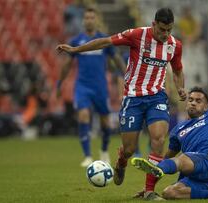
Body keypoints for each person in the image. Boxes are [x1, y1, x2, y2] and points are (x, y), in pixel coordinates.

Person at [56, 8, 186, 200]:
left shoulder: (174, 45)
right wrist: (76, 50)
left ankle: (149, 190)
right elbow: (105, 41)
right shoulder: (136, 35)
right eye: (161, 30)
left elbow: (177, 70)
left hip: (157, 97)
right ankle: (121, 162)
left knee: (158, 139)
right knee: (129, 149)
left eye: (169, 30)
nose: (165, 34)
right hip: (133, 98)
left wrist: (181, 88)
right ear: (153, 24)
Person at [56, 7, 126, 167]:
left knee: (105, 122)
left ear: (96, 20)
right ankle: (87, 156)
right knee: (83, 116)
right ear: (83, 20)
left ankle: (104, 151)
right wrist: (59, 83)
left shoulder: (104, 40)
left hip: (100, 87)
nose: (89, 20)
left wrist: (126, 75)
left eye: (91, 18)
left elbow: (116, 59)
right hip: (82, 86)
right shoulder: (76, 41)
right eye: (86, 18)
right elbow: (67, 65)